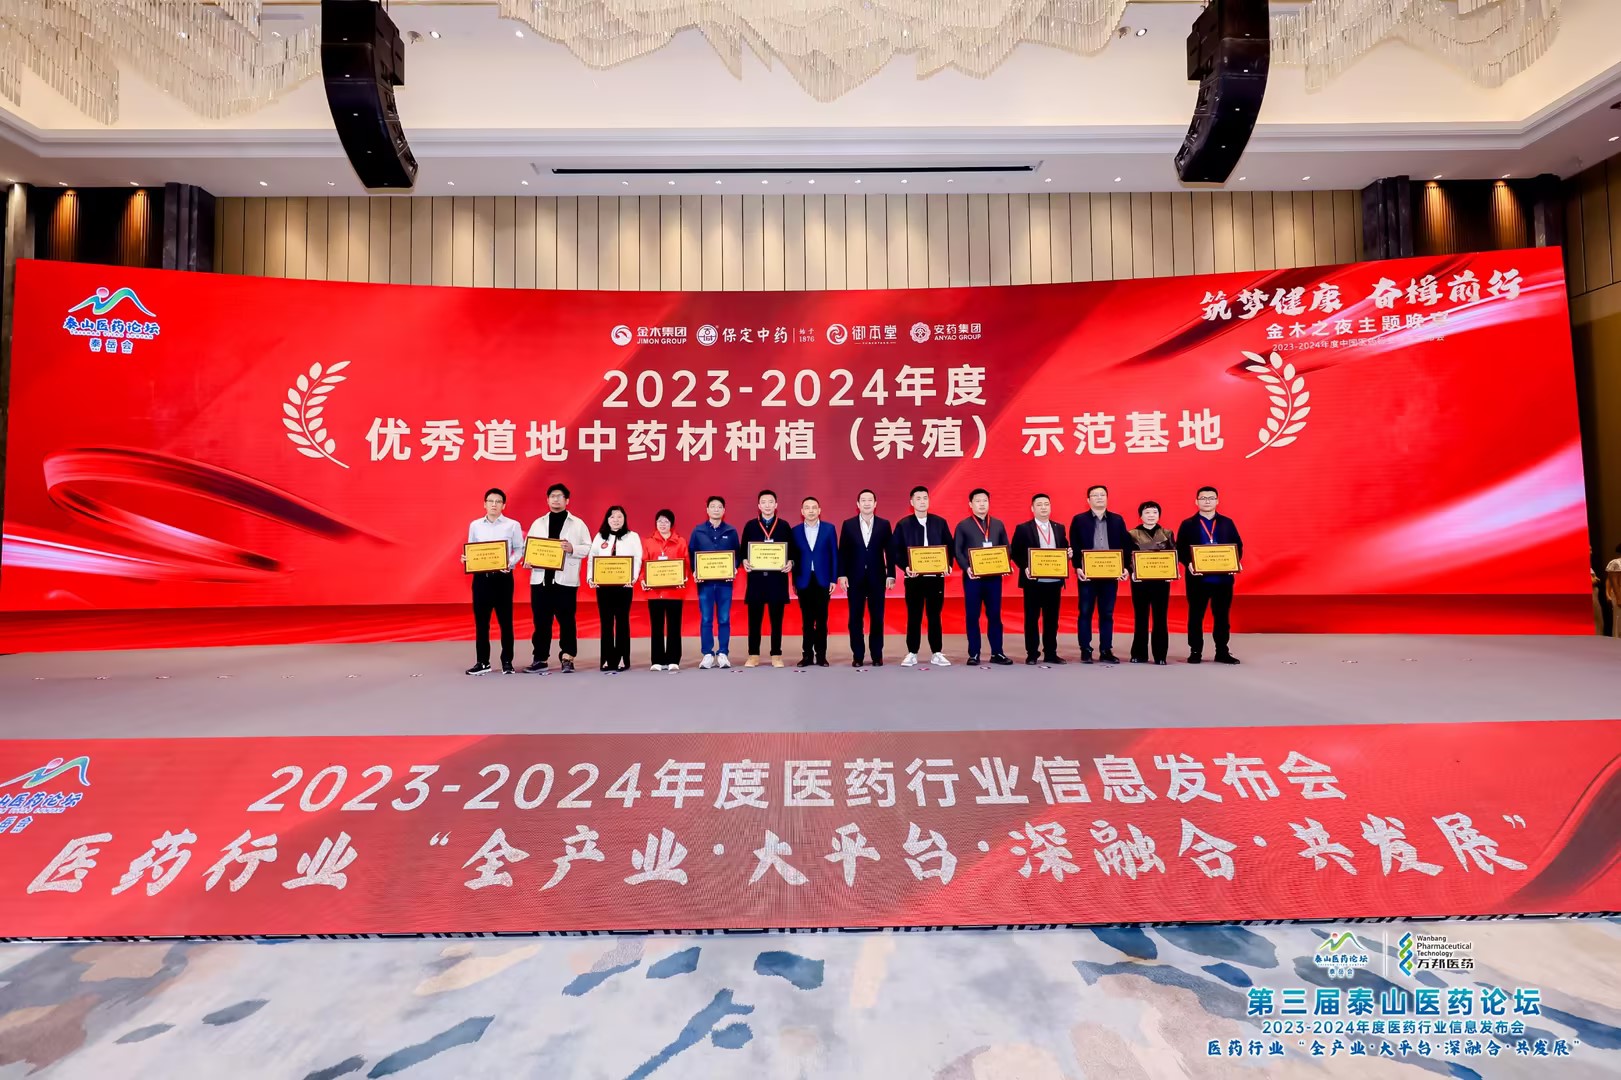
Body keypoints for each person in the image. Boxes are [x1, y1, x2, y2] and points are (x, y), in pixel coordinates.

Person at [524, 482, 592, 674]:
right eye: (552, 496)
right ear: (547, 500)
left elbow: (589, 547)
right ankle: (540, 658)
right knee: (541, 622)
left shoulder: (578, 524)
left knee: (567, 621)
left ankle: (567, 658)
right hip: (541, 581)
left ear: (567, 500)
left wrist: (573, 548)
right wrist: (528, 559)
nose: (556, 499)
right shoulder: (538, 523)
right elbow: (529, 546)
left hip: (565, 582)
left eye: (559, 496)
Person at [1176, 485, 1243, 664]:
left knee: (1222, 617)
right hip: (1197, 580)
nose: (1207, 501)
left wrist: (1235, 562)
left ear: (1217, 501)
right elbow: (1180, 547)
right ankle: (1195, 651)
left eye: (1211, 498)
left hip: (1223, 579)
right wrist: (1188, 563)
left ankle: (1222, 651)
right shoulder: (1188, 524)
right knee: (1196, 616)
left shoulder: (1227, 522)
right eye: (1203, 498)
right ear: (1196, 501)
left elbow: (1238, 545)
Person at [892, 485, 954, 667]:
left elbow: (949, 546)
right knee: (914, 615)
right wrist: (905, 567)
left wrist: (948, 565)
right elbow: (896, 551)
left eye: (925, 498)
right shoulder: (903, 524)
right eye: (918, 498)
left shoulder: (939, 522)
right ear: (911, 502)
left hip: (935, 578)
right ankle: (912, 652)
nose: (922, 501)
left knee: (935, 616)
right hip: (914, 578)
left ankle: (937, 652)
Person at [464, 487, 524, 675]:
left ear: (504, 505)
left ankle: (507, 661)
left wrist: (510, 563)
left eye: (498, 501)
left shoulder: (512, 525)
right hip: (481, 579)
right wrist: (467, 559)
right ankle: (483, 662)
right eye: (490, 501)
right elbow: (472, 549)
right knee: (481, 623)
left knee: (505, 622)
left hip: (503, 579)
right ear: (484, 504)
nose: (494, 504)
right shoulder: (475, 525)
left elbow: (519, 549)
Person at [1070, 484, 1131, 665]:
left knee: (1107, 613)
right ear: (1088, 500)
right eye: (1095, 495)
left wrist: (1125, 568)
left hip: (1110, 575)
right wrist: (1077, 567)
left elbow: (1125, 545)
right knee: (1085, 612)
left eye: (1102, 495)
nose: (1099, 498)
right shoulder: (1079, 520)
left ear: (1107, 498)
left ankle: (1106, 649)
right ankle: (1085, 649)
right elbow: (1074, 544)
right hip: (1087, 575)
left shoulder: (1117, 520)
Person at [953, 487, 1013, 666]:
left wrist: (1005, 564)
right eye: (978, 501)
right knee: (972, 616)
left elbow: (1006, 547)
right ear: (970, 504)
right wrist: (966, 568)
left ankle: (997, 652)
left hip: (994, 578)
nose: (982, 504)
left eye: (985, 501)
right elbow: (958, 551)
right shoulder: (963, 525)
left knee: (995, 615)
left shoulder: (998, 524)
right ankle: (974, 653)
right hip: (973, 579)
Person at [741, 489, 798, 667]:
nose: (767, 505)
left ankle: (776, 655)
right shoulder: (750, 526)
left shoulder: (784, 526)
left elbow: (792, 551)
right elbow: (743, 551)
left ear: (776, 505)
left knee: (776, 620)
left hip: (777, 580)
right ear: (759, 506)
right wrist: (744, 561)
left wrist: (791, 562)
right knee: (754, 620)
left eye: (770, 502)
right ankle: (753, 655)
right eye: (764, 502)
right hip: (756, 580)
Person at [838, 489, 895, 667]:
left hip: (877, 577)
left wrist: (891, 574)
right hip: (855, 577)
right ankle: (858, 655)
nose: (867, 503)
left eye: (870, 500)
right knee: (855, 617)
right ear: (858, 504)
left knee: (877, 617)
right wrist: (842, 574)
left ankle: (877, 655)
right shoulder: (848, 524)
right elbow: (843, 552)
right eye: (863, 500)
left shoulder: (884, 524)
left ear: (875, 504)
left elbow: (890, 552)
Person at [1010, 493, 1069, 665]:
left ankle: (1050, 652)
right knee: (1031, 619)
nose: (1043, 507)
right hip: (1033, 583)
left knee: (1052, 620)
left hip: (1054, 582)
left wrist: (1068, 553)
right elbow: (1015, 552)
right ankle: (1032, 653)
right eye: (1039, 504)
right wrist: (1025, 567)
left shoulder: (1059, 527)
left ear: (1050, 507)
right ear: (1032, 508)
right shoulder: (1023, 528)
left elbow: (1064, 548)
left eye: (1046, 504)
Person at [587, 505, 643, 673]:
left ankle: (622, 658)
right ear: (607, 519)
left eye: (619, 517)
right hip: (603, 587)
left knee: (622, 622)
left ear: (624, 519)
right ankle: (606, 658)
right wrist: (591, 577)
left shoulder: (632, 536)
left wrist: (632, 578)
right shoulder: (600, 536)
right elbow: (592, 558)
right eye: (612, 517)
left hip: (624, 586)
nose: (616, 520)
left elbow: (638, 558)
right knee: (606, 622)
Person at [689, 495, 740, 669]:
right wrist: (695, 570)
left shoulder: (731, 531)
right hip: (705, 583)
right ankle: (707, 654)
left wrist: (734, 567)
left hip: (725, 583)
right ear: (707, 510)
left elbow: (737, 554)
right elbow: (692, 554)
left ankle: (723, 652)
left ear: (724, 510)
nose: (716, 509)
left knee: (724, 618)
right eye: (713, 506)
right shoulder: (698, 531)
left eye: (719, 507)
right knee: (706, 618)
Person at [792, 496, 839, 667]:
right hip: (804, 580)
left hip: (823, 580)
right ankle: (807, 655)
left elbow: (834, 554)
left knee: (821, 620)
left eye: (814, 507)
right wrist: (794, 582)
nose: (811, 511)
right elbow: (793, 557)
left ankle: (821, 655)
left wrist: (833, 578)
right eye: (807, 508)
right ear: (802, 511)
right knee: (806, 620)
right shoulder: (795, 531)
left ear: (819, 510)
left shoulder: (829, 529)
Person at [1126, 500, 1174, 665]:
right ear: (1141, 516)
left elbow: (1173, 553)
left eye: (1154, 512)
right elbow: (1128, 556)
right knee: (1141, 617)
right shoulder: (1132, 534)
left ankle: (1160, 655)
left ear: (1159, 515)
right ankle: (1139, 653)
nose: (1151, 515)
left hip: (1161, 581)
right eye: (1147, 512)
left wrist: (1172, 572)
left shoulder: (1167, 533)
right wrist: (1132, 571)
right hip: (1140, 581)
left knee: (1160, 617)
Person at [642, 509, 688, 671]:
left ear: (671, 524)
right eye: (659, 521)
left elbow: (686, 563)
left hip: (674, 592)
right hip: (655, 593)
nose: (662, 524)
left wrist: (683, 577)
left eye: (666, 521)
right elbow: (644, 563)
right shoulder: (649, 542)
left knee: (674, 626)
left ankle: (673, 659)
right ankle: (657, 660)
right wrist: (643, 579)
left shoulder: (680, 541)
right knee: (656, 626)